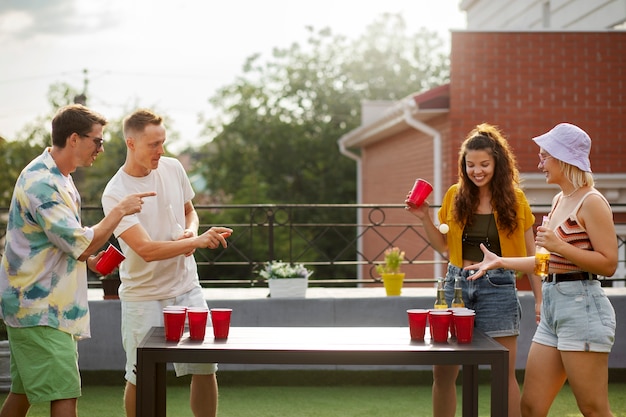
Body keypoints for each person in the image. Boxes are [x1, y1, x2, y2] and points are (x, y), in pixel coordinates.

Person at [0, 104, 154, 417]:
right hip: (41, 309)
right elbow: (78, 239)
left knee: (23, 393)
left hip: (37, 305)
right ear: (74, 139)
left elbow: (68, 243)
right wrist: (119, 211)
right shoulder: (43, 183)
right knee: (65, 395)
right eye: (97, 141)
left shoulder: (59, 176)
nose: (101, 147)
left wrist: (92, 258)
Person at [466, 123, 617, 417]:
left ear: (563, 158)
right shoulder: (560, 200)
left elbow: (609, 263)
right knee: (532, 407)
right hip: (553, 308)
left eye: (545, 156)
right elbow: (546, 262)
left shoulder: (593, 202)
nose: (539, 163)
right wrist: (500, 261)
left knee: (593, 409)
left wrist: (560, 245)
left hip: (582, 308)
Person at [101, 109, 233, 417]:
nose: (161, 151)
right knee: (140, 375)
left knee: (205, 367)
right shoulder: (116, 193)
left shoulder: (173, 168)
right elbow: (145, 249)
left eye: (163, 142)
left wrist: (192, 231)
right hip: (144, 297)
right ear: (130, 143)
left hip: (187, 287)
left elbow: (190, 211)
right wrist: (196, 242)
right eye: (153, 145)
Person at [406, 123, 541, 417]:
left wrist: (540, 299)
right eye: (470, 165)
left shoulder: (515, 199)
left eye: (484, 164)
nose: (477, 171)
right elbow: (443, 247)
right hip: (455, 286)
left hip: (499, 287)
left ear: (497, 163)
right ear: (463, 165)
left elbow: (532, 256)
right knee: (443, 374)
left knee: (502, 375)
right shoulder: (456, 195)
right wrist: (424, 218)